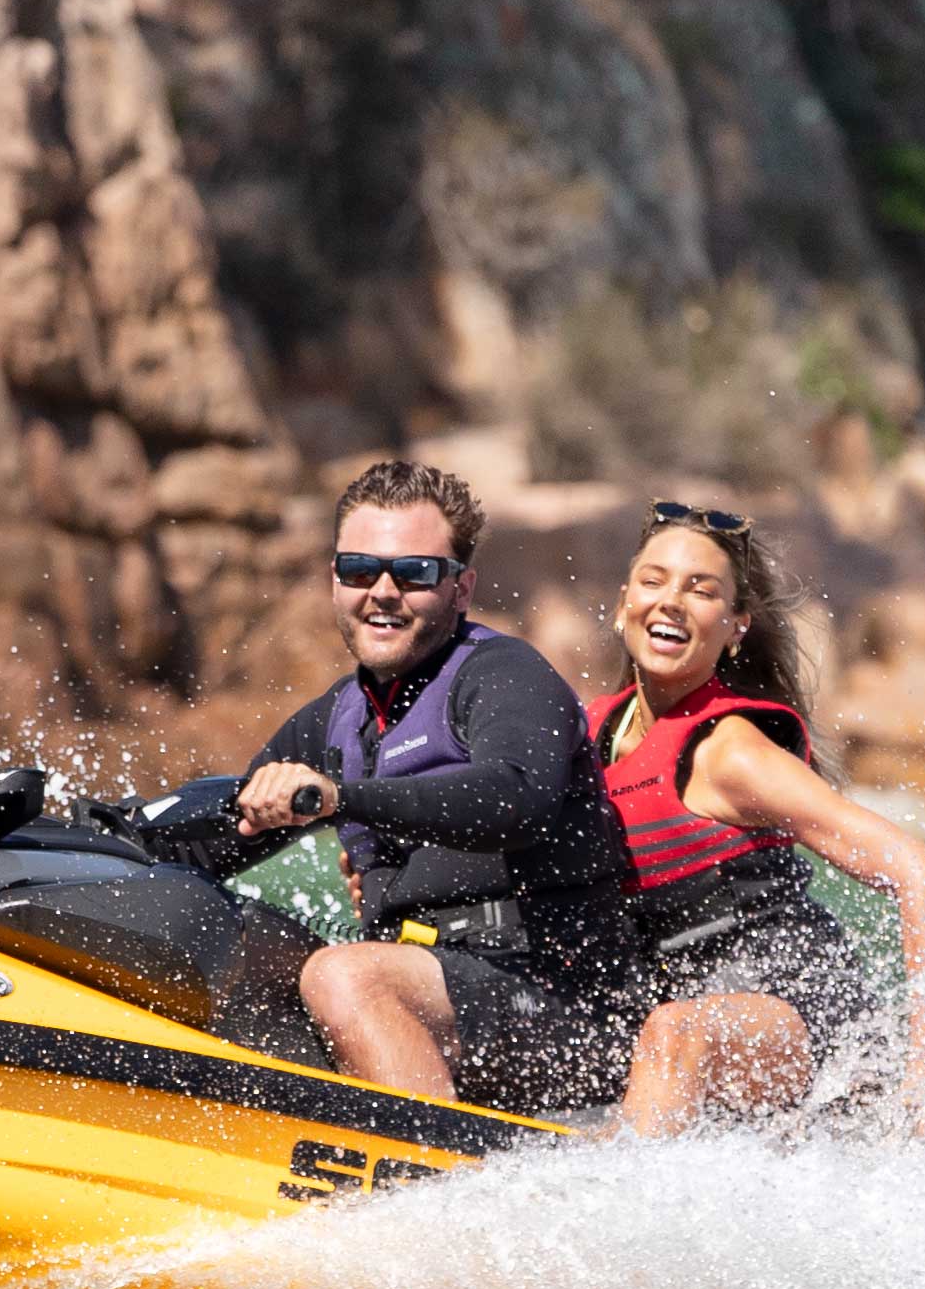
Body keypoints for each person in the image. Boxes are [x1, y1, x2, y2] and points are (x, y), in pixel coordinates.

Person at [167, 458, 638, 1112]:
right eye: (361, 570)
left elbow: (517, 799)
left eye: (414, 574)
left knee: (343, 974)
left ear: (461, 588)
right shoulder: (336, 719)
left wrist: (341, 799)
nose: (382, 591)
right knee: (235, 945)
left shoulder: (505, 675)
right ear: (335, 579)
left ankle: (432, 1186)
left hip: (565, 1007)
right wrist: (67, 837)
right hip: (436, 997)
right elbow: (211, 839)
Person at [592, 502, 925, 1134]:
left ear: (736, 626)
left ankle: (617, 1215)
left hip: (794, 1004)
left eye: (700, 590)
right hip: (664, 1001)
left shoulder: (732, 753)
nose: (670, 601)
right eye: (653, 581)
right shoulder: (587, 733)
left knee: (675, 1032)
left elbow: (923, 876)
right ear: (625, 601)